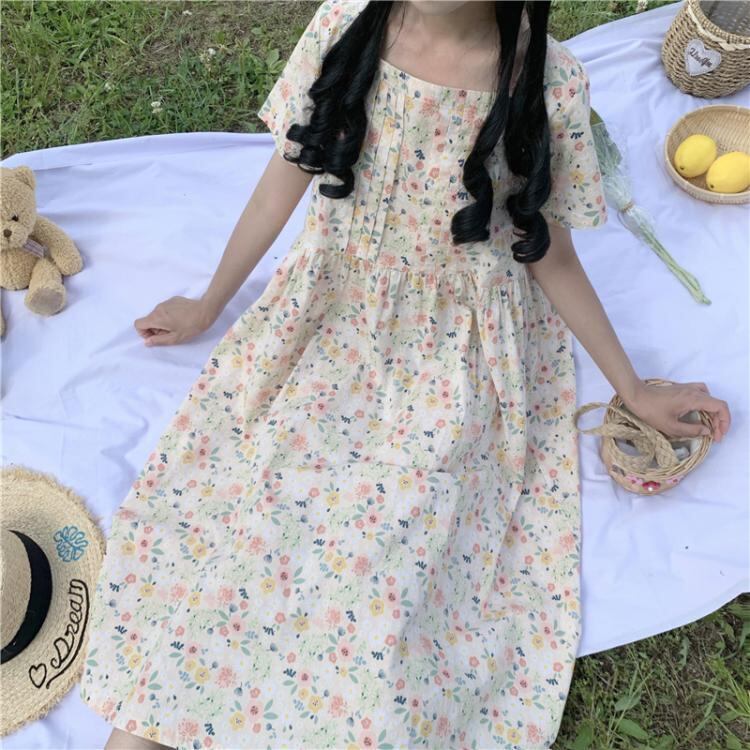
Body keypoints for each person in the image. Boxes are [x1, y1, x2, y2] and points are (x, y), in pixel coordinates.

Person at [80, 2, 732, 749]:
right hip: (329, 315)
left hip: (453, 346)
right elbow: (284, 174)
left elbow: (546, 249)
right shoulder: (346, 24)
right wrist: (209, 302)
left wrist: (633, 387)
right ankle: (148, 722)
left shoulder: (547, 81)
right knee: (251, 517)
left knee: (391, 554)